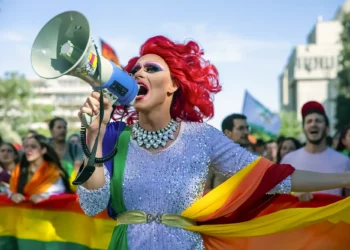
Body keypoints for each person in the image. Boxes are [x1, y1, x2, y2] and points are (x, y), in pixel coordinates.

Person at [77, 36, 350, 250]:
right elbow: (92, 205)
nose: (138, 74)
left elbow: (272, 177)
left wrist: (344, 178)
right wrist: (94, 137)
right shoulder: (113, 135)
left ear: (174, 84)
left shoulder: (202, 137)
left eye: (151, 68)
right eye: (135, 69)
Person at [281, 101, 350, 200]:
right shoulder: (288, 160)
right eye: (309, 121)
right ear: (303, 129)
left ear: (327, 128)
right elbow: (278, 197)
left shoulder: (344, 161)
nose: (313, 124)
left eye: (318, 121)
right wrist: (293, 194)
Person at [8, 134, 72, 203]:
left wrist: (44, 196)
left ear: (43, 150)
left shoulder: (53, 172)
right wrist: (12, 195)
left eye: (33, 147)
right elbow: (9, 191)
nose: (28, 150)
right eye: (26, 146)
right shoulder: (19, 169)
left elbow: (60, 193)